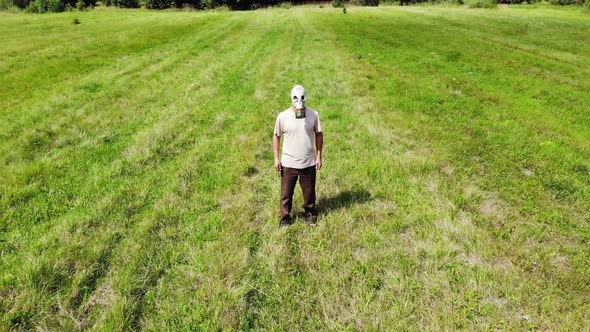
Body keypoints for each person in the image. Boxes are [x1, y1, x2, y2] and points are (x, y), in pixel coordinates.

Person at [273, 85, 323, 227]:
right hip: (288, 163)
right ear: (291, 98)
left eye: (302, 98)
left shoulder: (314, 115)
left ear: (305, 98)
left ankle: (310, 215)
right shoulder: (282, 116)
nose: (299, 102)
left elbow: (319, 134)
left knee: (309, 193)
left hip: (308, 162)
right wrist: (276, 158)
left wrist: (319, 156)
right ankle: (285, 219)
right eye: (296, 98)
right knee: (286, 194)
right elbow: (276, 136)